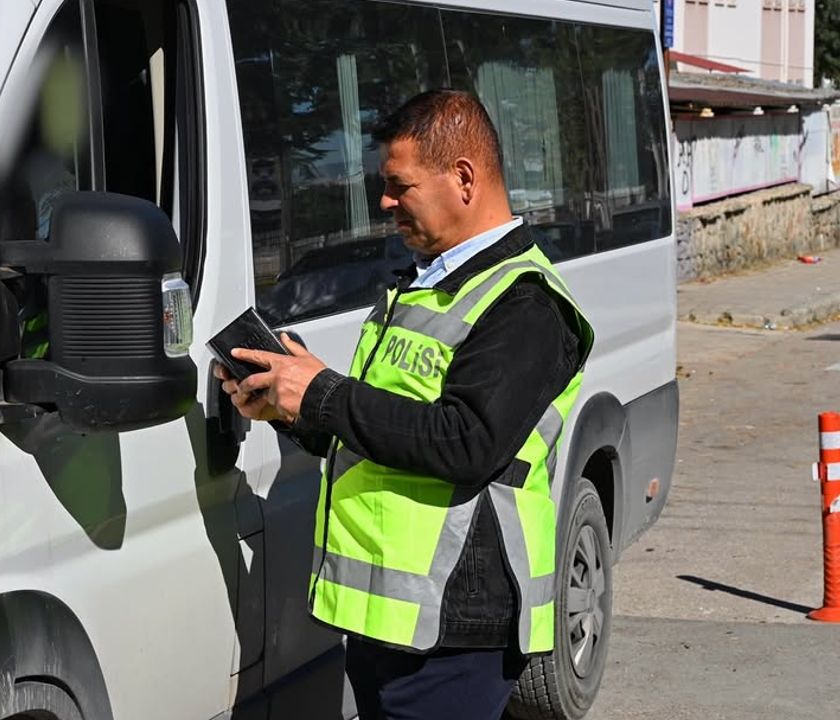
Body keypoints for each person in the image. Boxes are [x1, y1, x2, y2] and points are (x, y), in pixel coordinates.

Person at [215, 90, 595, 719]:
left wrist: (324, 393)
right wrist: (292, 405)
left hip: (454, 628)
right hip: (392, 624)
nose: (385, 202)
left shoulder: (525, 303)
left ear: (464, 178)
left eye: (399, 185)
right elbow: (382, 428)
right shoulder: (427, 285)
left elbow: (466, 442)